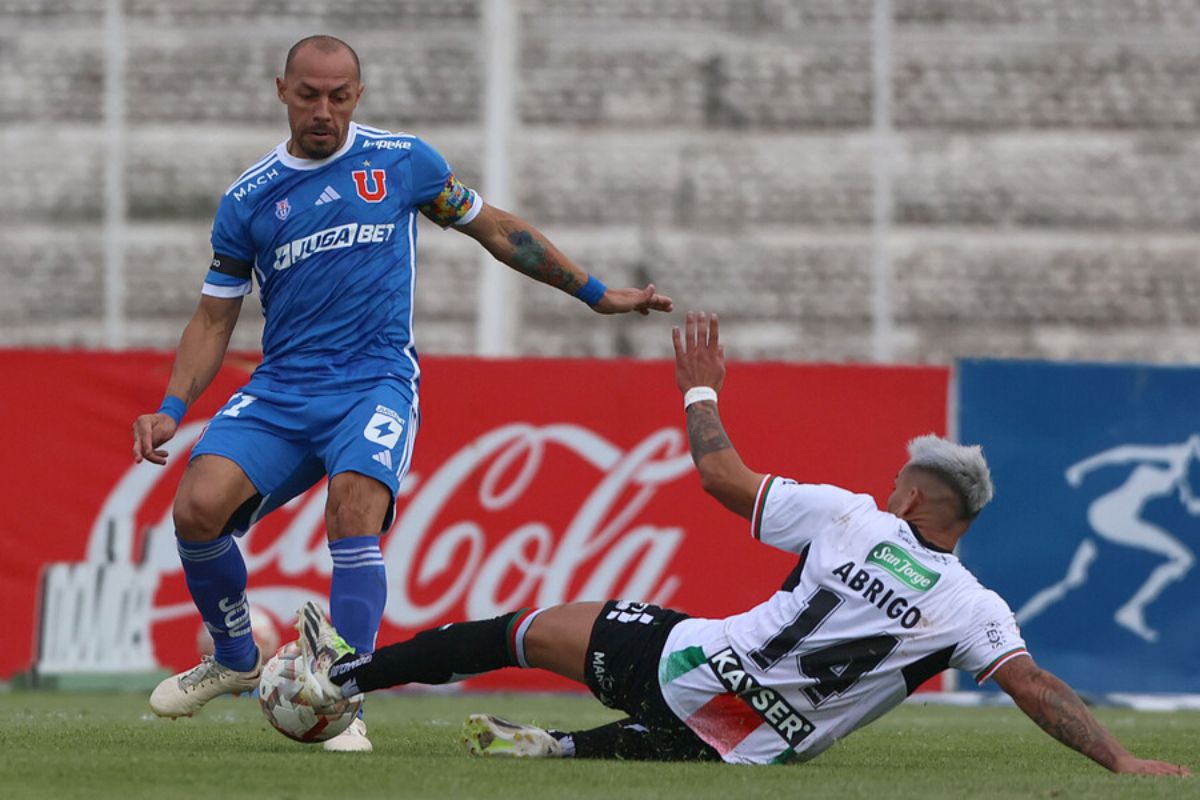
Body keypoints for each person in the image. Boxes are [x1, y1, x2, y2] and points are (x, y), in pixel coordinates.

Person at [293, 312, 1190, 774]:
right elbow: (1033, 687)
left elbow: (724, 480)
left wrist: (699, 393)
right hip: (766, 744)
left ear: (913, 495)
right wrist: (1119, 758)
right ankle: (565, 751)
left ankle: (342, 682)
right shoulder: (973, 607)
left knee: (520, 631)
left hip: (695, 670)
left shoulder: (854, 519)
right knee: (721, 737)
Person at [132, 34, 672, 753]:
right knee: (197, 510)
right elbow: (213, 317)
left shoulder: (403, 162)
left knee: (353, 506)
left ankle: (344, 695)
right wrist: (171, 407)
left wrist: (597, 294)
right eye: (308, 94)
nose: (323, 110)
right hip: (285, 385)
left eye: (339, 95)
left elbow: (499, 231)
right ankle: (234, 658)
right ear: (281, 91)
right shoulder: (249, 199)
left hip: (375, 379)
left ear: (358, 95)